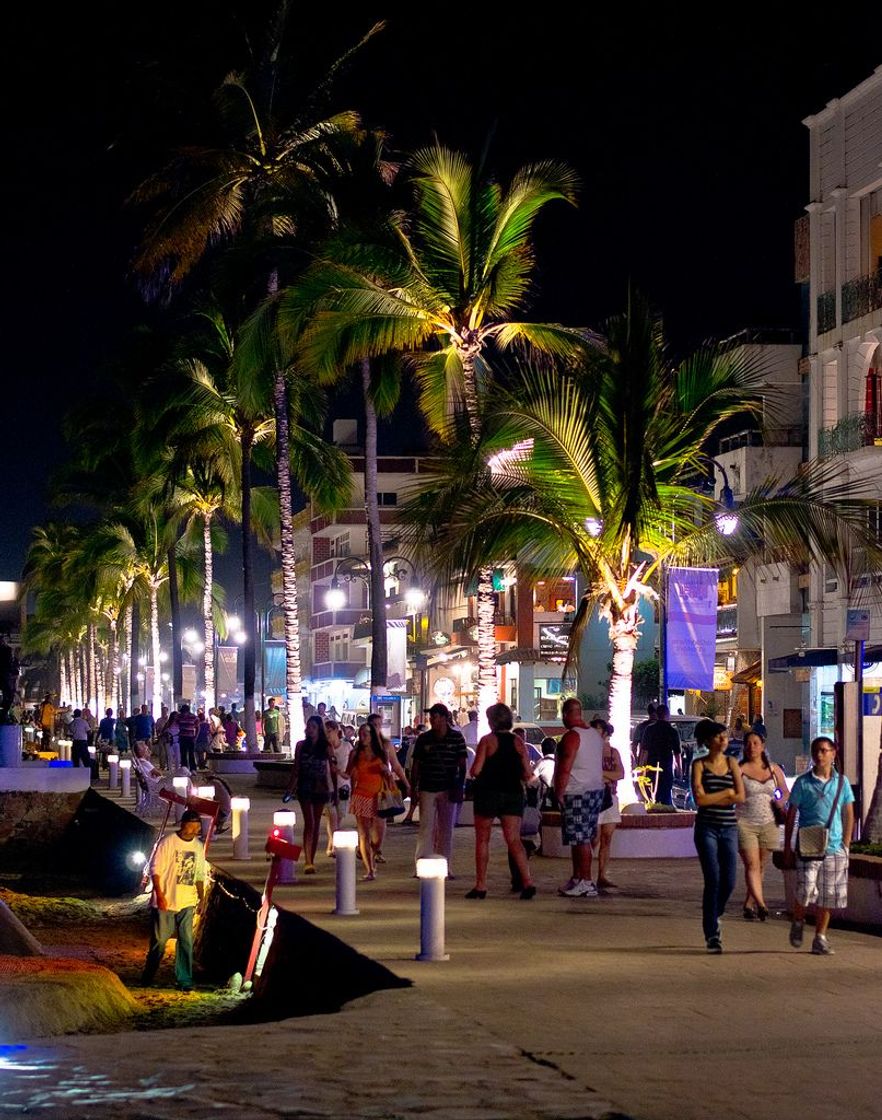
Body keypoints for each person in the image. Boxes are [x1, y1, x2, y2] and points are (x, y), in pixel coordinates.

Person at [784, 736, 854, 956]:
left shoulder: (841, 782)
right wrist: (788, 845)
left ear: (833, 753)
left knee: (828, 895)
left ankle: (820, 937)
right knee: (805, 890)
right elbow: (792, 814)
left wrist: (846, 844)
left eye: (824, 751)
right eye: (816, 751)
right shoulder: (803, 783)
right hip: (809, 844)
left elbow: (849, 812)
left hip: (834, 847)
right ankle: (798, 919)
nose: (820, 755)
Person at [466, 703, 536, 900]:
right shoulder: (518, 741)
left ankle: (481, 885)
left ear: (492, 721)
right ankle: (527, 881)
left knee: (483, 839)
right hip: (513, 792)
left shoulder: (488, 740)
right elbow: (528, 773)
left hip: (488, 792)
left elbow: (476, 770)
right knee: (514, 840)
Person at [691, 719, 745, 953]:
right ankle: (712, 933)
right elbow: (699, 799)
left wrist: (720, 796)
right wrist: (725, 793)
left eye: (724, 736)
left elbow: (741, 796)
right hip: (706, 828)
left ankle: (716, 911)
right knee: (712, 879)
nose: (724, 740)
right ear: (707, 740)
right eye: (718, 737)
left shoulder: (732, 762)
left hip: (729, 827)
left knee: (730, 880)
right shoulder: (699, 765)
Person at [141, 808, 206, 991]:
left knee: (186, 940)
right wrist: (160, 896)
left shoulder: (198, 847)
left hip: (187, 900)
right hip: (166, 899)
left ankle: (184, 979)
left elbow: (199, 874)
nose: (194, 831)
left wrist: (201, 897)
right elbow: (156, 870)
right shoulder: (168, 843)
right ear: (184, 825)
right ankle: (149, 974)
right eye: (192, 827)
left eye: (197, 827)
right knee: (160, 941)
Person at [553, 697, 606, 897]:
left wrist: (559, 791)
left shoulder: (572, 737)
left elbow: (565, 767)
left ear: (566, 714)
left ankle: (586, 880)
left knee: (581, 837)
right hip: (595, 790)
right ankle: (577, 877)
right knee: (580, 837)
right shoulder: (594, 734)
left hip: (577, 792)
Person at [411, 703, 468, 877]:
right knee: (426, 828)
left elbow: (462, 764)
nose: (432, 720)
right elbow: (416, 765)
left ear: (444, 718)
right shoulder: (424, 739)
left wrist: (459, 785)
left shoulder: (457, 738)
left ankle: (445, 865)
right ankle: (421, 864)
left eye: (435, 717)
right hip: (428, 787)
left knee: (446, 829)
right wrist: (414, 787)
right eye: (431, 717)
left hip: (448, 788)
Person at [347, 722, 409, 879]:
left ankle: (372, 855)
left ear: (372, 736)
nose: (363, 737)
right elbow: (348, 774)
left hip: (379, 797)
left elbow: (389, 772)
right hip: (361, 795)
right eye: (361, 734)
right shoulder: (355, 754)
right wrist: (336, 771)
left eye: (366, 734)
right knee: (363, 834)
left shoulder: (381, 752)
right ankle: (369, 869)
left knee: (378, 838)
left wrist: (387, 772)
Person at [737, 730, 788, 920]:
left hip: (769, 822)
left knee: (761, 866)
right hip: (745, 822)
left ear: (763, 746)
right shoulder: (739, 769)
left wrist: (780, 802)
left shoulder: (774, 769)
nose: (752, 747)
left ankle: (749, 904)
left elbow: (785, 791)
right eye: (748, 743)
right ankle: (761, 904)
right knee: (752, 864)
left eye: (756, 743)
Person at [284, 715, 337, 873]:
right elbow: (296, 768)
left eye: (314, 727)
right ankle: (307, 861)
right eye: (309, 727)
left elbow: (333, 769)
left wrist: (334, 790)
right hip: (305, 786)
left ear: (319, 729)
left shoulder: (326, 746)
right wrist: (290, 788)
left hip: (321, 787)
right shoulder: (301, 746)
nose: (310, 730)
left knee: (315, 824)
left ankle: (311, 859)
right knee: (310, 822)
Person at [592, 719, 626, 890]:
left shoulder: (613, 752)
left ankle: (602, 876)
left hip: (610, 797)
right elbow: (591, 775)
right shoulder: (590, 752)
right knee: (594, 838)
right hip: (595, 797)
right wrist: (608, 776)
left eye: (598, 729)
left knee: (607, 838)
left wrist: (603, 775)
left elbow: (620, 774)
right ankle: (586, 875)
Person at [639, 704, 681, 805]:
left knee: (651, 797)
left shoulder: (649, 730)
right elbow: (677, 754)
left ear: (657, 715)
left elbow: (644, 751)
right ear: (667, 715)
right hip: (666, 768)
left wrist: (641, 768)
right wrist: (679, 770)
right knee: (666, 796)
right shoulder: (672, 731)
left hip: (651, 768)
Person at [322, 720, 353, 856]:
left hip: (344, 786)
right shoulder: (325, 749)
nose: (327, 734)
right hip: (328, 786)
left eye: (329, 731)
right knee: (332, 817)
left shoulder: (346, 747)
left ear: (336, 731)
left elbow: (352, 766)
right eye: (325, 732)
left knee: (339, 817)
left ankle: (331, 843)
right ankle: (334, 847)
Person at [177, 703, 199, 772]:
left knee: (191, 753)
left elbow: (198, 727)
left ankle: (193, 769)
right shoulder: (179, 717)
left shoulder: (194, 717)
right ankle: (184, 769)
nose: (183, 714)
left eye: (184, 712)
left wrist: (195, 737)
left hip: (190, 737)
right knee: (183, 754)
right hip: (182, 737)